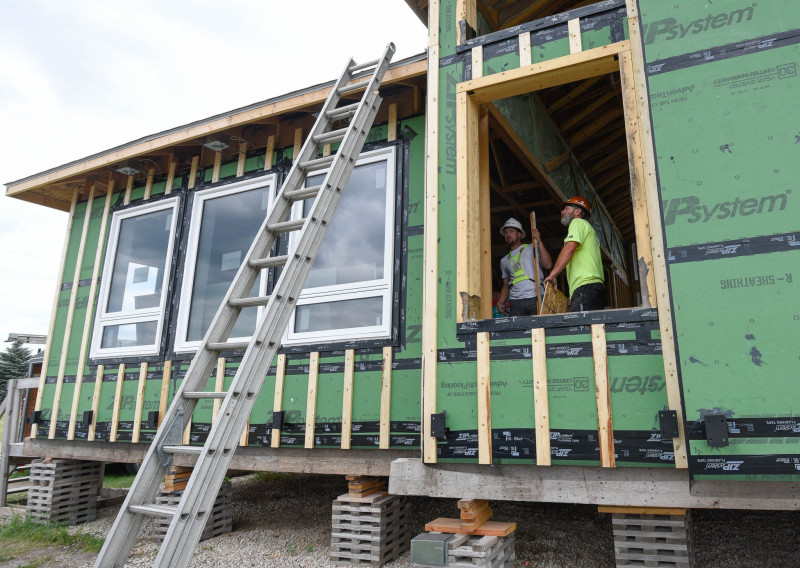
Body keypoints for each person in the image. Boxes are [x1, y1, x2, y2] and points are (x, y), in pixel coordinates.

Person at [543, 196, 606, 312]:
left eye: (566, 208)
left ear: (577, 211)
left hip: (585, 287)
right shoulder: (587, 228)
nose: (562, 212)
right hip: (590, 288)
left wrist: (553, 275)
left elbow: (569, 249)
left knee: (582, 329)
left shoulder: (577, 222)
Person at [496, 217, 553, 316]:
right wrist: (500, 302)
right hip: (516, 301)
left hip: (535, 297)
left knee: (538, 329)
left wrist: (539, 242)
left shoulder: (532, 248)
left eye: (511, 231)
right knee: (518, 330)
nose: (508, 234)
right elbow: (506, 285)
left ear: (519, 234)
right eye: (506, 232)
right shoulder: (504, 261)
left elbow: (547, 265)